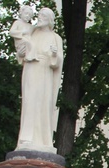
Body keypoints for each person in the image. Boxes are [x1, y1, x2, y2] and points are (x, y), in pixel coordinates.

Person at [14, 7, 63, 152]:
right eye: (39, 15)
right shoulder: (32, 33)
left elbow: (58, 61)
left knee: (43, 103)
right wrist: (21, 54)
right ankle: (26, 137)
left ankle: (43, 140)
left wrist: (54, 55)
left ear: (49, 20)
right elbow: (22, 51)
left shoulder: (56, 38)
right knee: (29, 102)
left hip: (45, 72)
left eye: (42, 16)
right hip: (30, 69)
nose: (39, 18)